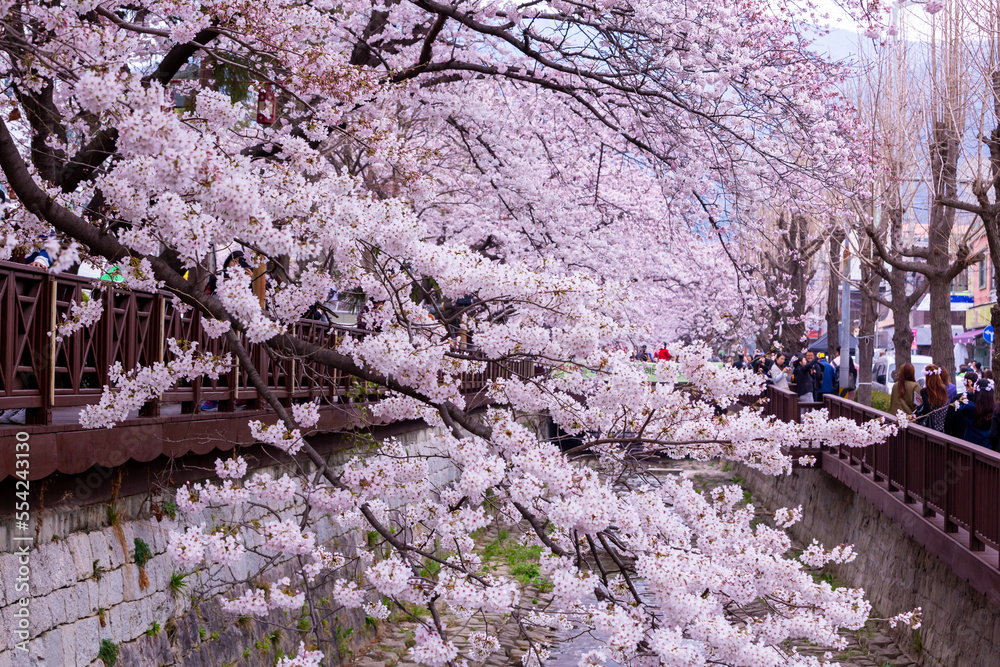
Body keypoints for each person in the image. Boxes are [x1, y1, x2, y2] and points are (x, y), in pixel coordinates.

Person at [958, 379, 994, 448]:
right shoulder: (995, 409)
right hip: (989, 446)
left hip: (971, 446)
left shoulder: (970, 407)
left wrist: (969, 394)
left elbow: (961, 403)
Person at [915, 365, 950, 432]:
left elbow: (927, 409)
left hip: (931, 425)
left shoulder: (925, 391)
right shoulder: (943, 389)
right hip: (941, 423)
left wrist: (922, 404)